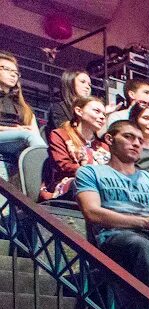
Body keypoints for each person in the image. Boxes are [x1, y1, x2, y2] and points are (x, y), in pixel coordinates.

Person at [75, 120, 149, 294]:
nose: (136, 143)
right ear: (109, 139)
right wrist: (144, 222)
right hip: (115, 237)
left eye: (140, 140)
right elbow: (92, 212)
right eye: (128, 137)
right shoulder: (91, 172)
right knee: (140, 245)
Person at [44, 95, 109, 200]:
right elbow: (65, 166)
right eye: (97, 111)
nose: (102, 117)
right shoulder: (60, 135)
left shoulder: (104, 146)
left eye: (104, 114)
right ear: (79, 111)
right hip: (69, 187)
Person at [0, 51, 47, 181]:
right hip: (12, 136)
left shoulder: (24, 108)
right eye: (6, 69)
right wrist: (14, 130)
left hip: (15, 142)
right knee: (27, 136)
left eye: (16, 72)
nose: (12, 74)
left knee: (33, 137)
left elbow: (35, 134)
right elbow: (28, 134)